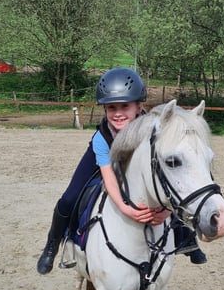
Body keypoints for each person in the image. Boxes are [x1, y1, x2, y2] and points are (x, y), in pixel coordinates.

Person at [36, 67, 207, 274]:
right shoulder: (102, 137)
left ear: (139, 107)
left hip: (139, 165)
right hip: (107, 158)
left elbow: (164, 174)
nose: (117, 114)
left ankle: (187, 239)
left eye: (124, 106)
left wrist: (166, 210)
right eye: (111, 108)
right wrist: (126, 209)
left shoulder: (152, 130)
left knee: (172, 187)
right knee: (69, 198)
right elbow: (109, 178)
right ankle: (52, 245)